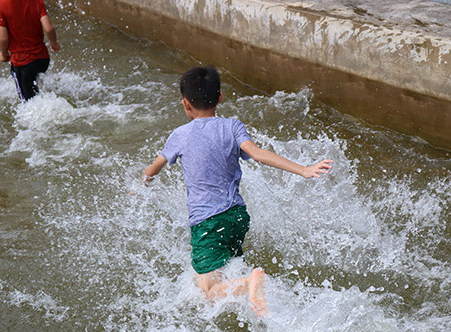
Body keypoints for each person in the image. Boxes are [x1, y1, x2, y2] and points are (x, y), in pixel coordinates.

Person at [140, 66, 332, 316]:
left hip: (208, 223)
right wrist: (304, 169)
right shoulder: (232, 127)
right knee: (227, 271)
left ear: (185, 104)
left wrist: (141, 185)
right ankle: (258, 298)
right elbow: (258, 154)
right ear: (220, 98)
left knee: (207, 293)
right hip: (237, 218)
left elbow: (153, 169)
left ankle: (251, 283)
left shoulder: (179, 135)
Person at [0, 0, 61, 102]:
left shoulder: (1, 5)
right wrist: (54, 43)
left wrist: (3, 54)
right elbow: (49, 29)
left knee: (27, 102)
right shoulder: (37, 1)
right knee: (35, 83)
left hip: (22, 63)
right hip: (42, 59)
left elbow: (4, 39)